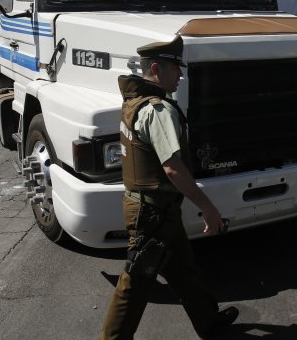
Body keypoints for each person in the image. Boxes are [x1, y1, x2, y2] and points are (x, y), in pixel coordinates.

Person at [100, 35, 238, 340]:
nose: (180, 75)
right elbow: (173, 168)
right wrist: (208, 208)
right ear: (155, 68)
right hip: (151, 211)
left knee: (183, 269)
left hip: (156, 208)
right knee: (136, 279)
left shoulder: (134, 101)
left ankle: (209, 322)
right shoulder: (157, 110)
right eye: (176, 69)